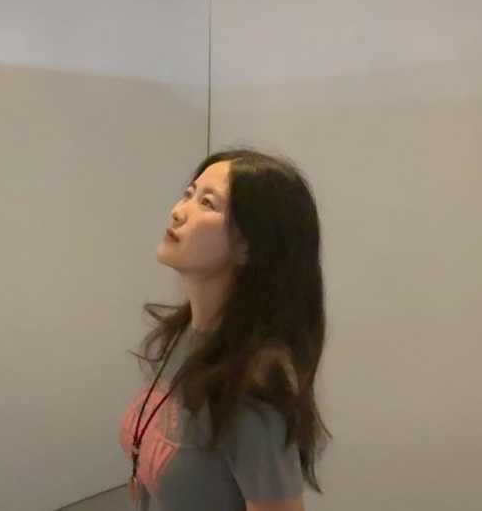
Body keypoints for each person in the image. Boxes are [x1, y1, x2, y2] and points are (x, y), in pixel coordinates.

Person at [119, 148, 330, 510]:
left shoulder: (255, 387)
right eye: (188, 193)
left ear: (248, 247)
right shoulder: (184, 335)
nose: (179, 211)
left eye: (207, 203)